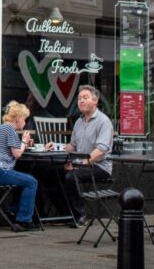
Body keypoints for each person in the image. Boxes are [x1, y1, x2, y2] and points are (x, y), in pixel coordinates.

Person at [0, 101, 41, 231]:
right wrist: (24, 141)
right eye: (24, 119)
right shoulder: (10, 130)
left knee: (22, 180)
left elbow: (12, 149)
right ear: (18, 118)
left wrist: (24, 144)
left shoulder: (0, 128)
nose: (25, 122)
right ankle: (24, 220)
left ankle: (13, 211)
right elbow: (17, 153)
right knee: (31, 182)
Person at [63, 85, 114, 226]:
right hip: (80, 164)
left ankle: (80, 215)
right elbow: (72, 146)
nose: (81, 101)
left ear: (95, 101)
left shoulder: (103, 122)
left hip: (100, 166)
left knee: (71, 176)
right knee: (49, 173)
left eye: (85, 98)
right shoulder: (79, 122)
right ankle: (64, 213)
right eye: (79, 98)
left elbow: (101, 150)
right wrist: (56, 146)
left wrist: (80, 164)